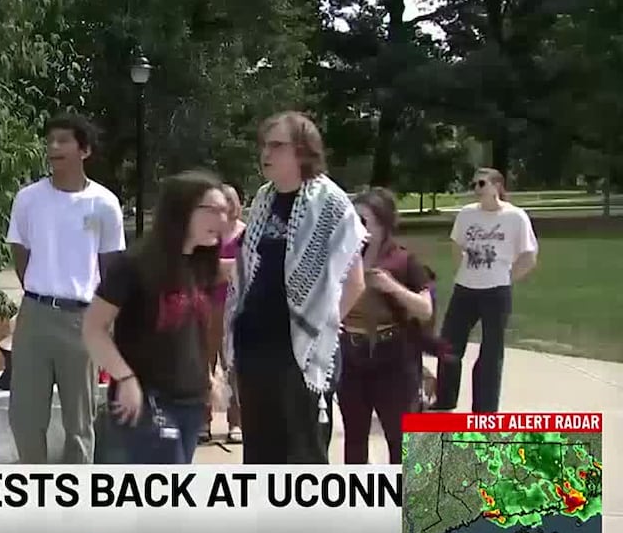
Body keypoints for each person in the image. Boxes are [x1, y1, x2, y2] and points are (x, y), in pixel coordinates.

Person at [225, 112, 367, 464]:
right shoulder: (263, 199)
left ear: (303, 150)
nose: (266, 153)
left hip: (301, 355)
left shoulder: (330, 203)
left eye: (276, 145)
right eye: (263, 145)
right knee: (260, 455)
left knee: (303, 456)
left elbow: (354, 283)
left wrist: (318, 329)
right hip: (255, 347)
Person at [82, 170, 228, 464]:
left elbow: (191, 335)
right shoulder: (134, 265)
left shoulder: (200, 265)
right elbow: (93, 328)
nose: (222, 220)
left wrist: (209, 378)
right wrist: (124, 378)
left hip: (190, 403)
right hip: (148, 403)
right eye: (213, 210)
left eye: (225, 210)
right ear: (181, 210)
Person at [7, 113, 126, 464]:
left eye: (63, 141)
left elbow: (111, 266)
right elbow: (19, 250)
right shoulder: (29, 198)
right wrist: (39, 289)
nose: (53, 147)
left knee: (79, 422)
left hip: (82, 318)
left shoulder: (103, 203)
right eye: (51, 141)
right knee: (25, 418)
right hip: (36, 315)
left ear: (84, 150)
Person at [432, 168, 538, 413]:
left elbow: (529, 256)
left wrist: (506, 278)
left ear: (497, 186)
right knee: (449, 344)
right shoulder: (467, 214)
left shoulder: (515, 217)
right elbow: (456, 244)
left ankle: (485, 409)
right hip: (465, 288)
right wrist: (463, 269)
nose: (477, 188)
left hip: (496, 292)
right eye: (474, 184)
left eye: (482, 183)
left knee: (491, 352)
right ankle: (445, 399)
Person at [338, 188, 433, 464]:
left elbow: (425, 309)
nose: (356, 227)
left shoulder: (403, 260)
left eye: (363, 221)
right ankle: (358, 502)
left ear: (383, 224)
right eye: (351, 220)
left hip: (392, 356)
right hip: (351, 357)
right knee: (354, 438)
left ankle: (401, 500)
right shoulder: (342, 257)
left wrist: (392, 287)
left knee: (399, 438)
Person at [201, 183, 245, 444]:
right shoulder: (208, 235)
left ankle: (236, 422)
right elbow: (200, 269)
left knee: (234, 368)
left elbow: (250, 269)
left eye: (228, 203)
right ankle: (202, 421)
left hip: (236, 307)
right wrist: (228, 268)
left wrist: (221, 268)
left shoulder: (245, 234)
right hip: (207, 307)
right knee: (204, 366)